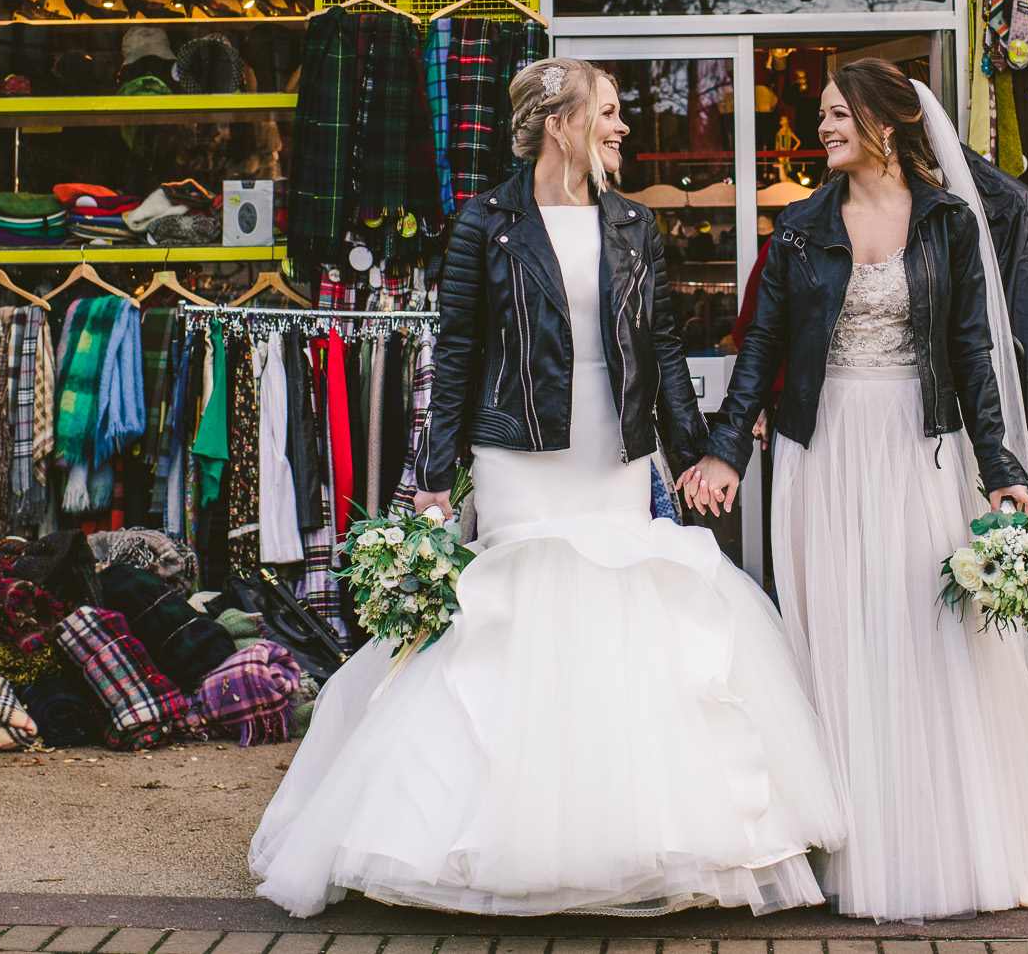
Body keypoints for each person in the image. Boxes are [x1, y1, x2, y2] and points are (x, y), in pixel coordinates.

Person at [251, 57, 842, 918]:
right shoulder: (481, 225)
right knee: (516, 629)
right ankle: (478, 837)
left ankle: (627, 834)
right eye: (607, 111)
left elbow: (665, 351)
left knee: (628, 624)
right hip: (520, 458)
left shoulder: (637, 223)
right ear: (559, 122)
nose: (622, 126)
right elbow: (454, 358)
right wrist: (431, 481)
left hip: (616, 456)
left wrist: (701, 452)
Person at [679, 59, 1028, 921]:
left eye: (837, 114)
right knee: (839, 645)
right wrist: (726, 454)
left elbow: (977, 357)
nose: (822, 127)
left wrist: (1008, 475)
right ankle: (850, 854)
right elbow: (757, 356)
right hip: (821, 461)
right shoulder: (797, 231)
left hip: (922, 457)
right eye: (823, 114)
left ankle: (936, 848)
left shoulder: (948, 222)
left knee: (923, 646)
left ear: (886, 124)